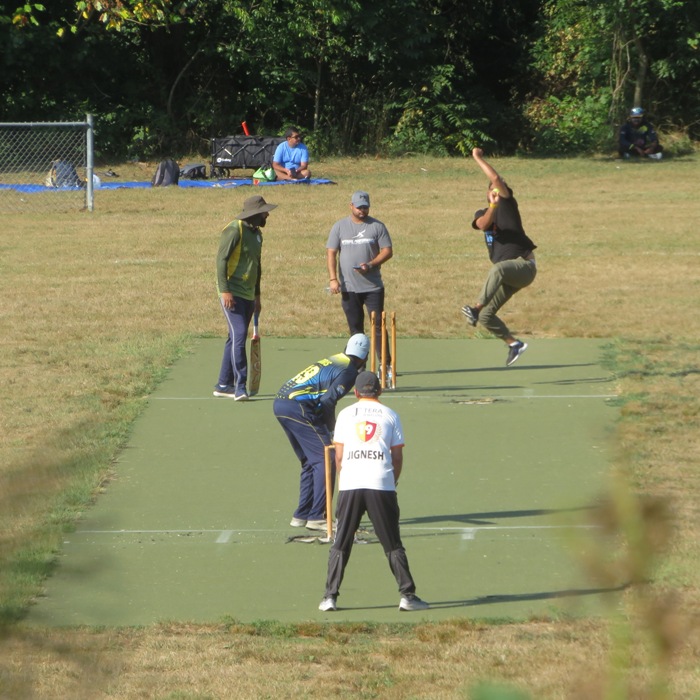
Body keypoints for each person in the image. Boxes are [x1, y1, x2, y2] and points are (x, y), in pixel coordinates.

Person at [318, 371, 429, 613]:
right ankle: (407, 596)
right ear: (378, 391)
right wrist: (393, 480)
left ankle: (329, 597)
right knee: (392, 543)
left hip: (351, 483)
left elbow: (338, 456)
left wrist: (344, 479)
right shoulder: (390, 415)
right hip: (381, 484)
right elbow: (397, 456)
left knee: (341, 542)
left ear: (356, 392)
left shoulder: (346, 414)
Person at [273, 334, 370, 531]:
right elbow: (327, 401)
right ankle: (318, 516)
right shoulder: (350, 371)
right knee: (327, 457)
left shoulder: (334, 358)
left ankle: (302, 514)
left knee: (311, 461)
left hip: (282, 403)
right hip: (298, 407)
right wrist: (332, 429)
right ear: (365, 357)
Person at [461, 148, 538, 367]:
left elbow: (494, 178)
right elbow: (483, 224)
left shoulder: (508, 203)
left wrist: (477, 157)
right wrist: (492, 205)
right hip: (507, 274)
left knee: (498, 269)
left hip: (524, 266)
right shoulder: (484, 212)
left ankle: (475, 308)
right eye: (492, 190)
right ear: (487, 194)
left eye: (499, 188)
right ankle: (514, 344)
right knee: (487, 317)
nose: (496, 189)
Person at [213, 195, 277, 400]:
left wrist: (257, 296)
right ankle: (240, 387)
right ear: (255, 214)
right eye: (265, 211)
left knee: (234, 337)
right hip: (231, 293)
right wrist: (225, 290)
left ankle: (223, 384)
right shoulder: (234, 230)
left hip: (248, 294)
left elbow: (257, 267)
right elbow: (221, 261)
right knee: (240, 334)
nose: (268, 214)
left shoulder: (258, 235)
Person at [326, 190, 394, 376]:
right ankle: (358, 364)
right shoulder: (340, 227)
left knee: (378, 326)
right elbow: (331, 252)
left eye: (365, 207)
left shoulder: (377, 226)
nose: (362, 211)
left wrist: (371, 264)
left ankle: (385, 365)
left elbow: (387, 251)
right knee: (355, 329)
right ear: (351, 206)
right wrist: (333, 280)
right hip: (349, 287)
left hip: (373, 287)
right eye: (359, 207)